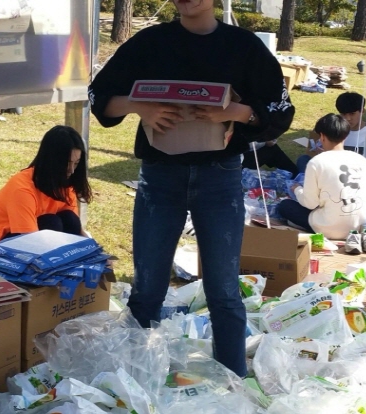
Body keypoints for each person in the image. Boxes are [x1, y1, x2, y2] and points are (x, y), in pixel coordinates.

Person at [88, 0, 294, 378]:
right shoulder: (150, 43)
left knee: (224, 292)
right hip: (160, 178)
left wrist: (233, 112)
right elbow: (99, 97)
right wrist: (140, 107)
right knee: (147, 291)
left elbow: (280, 111)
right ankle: (136, 380)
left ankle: (233, 381)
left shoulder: (243, 46)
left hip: (220, 178)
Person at [0, 125, 92, 252]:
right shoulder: (22, 189)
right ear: (51, 161)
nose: (71, 170)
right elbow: (31, 242)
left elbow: (76, 230)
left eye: (76, 163)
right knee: (51, 223)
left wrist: (94, 250)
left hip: (30, 239)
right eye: (67, 163)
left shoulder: (66, 183)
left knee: (70, 219)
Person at [278, 114, 366, 254]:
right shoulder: (362, 160)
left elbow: (310, 203)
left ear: (322, 136)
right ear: (346, 136)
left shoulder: (317, 162)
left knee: (285, 206)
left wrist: (297, 189)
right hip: (357, 225)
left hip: (327, 227)